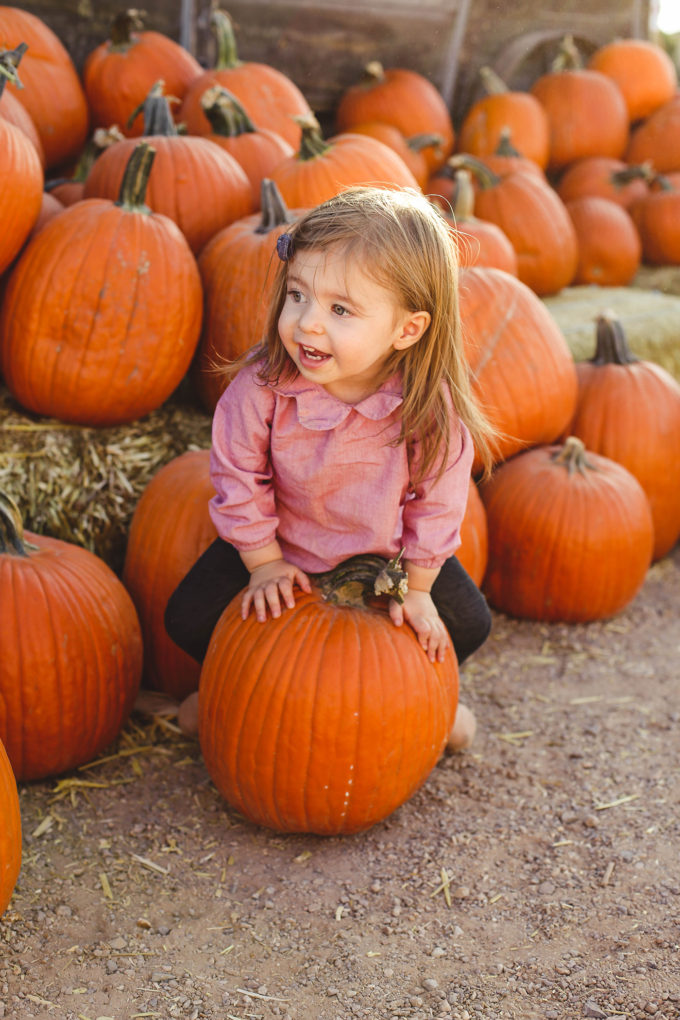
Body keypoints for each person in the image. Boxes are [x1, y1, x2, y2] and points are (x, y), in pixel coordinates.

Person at [165, 185, 497, 748]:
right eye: (297, 295)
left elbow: (438, 501)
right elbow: (238, 477)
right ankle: (230, 692)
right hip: (285, 543)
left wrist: (417, 589)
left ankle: (422, 705)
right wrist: (263, 562)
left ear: (406, 329)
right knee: (187, 616)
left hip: (383, 556)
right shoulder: (263, 388)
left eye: (340, 310)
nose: (307, 324)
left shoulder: (426, 408)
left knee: (469, 622)